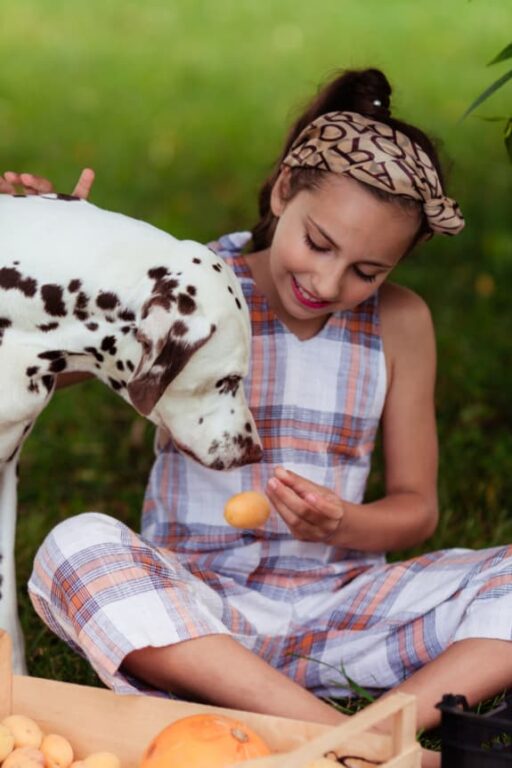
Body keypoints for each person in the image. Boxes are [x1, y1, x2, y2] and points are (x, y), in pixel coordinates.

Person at [5, 68, 512, 768]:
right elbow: (50, 367)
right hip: (200, 615)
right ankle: (372, 747)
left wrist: (345, 524)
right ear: (283, 193)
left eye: (368, 271)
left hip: (342, 610)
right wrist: (51, 251)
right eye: (320, 243)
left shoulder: (402, 324)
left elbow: (417, 509)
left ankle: (377, 729)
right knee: (76, 549)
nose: (330, 284)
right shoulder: (197, 284)